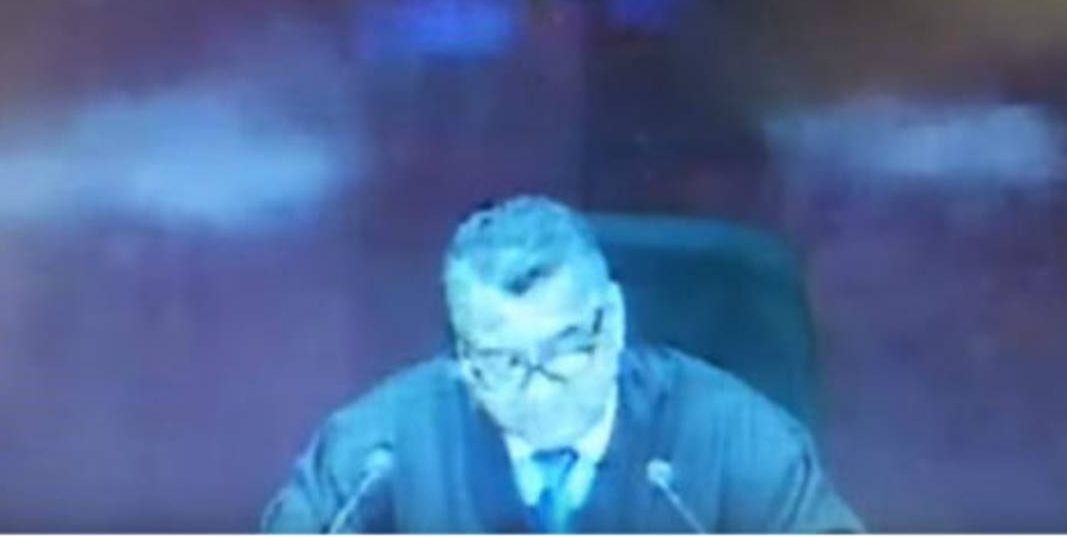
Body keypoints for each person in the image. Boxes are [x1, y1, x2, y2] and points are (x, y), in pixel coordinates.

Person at [261, 195, 863, 533]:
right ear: (463, 353)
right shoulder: (373, 455)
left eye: (565, 349)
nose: (539, 392)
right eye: (503, 362)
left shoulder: (736, 439)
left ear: (614, 321)